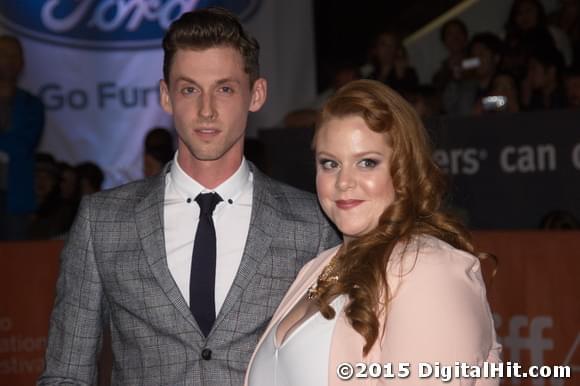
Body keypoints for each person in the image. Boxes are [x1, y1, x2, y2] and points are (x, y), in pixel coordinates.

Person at [39, 7, 339, 385]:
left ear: (256, 94)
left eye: (225, 89)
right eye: (189, 89)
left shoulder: (310, 225)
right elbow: (67, 373)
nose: (206, 110)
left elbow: (330, 365)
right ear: (166, 96)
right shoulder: (103, 221)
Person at [245, 79, 501, 386]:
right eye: (330, 164)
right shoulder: (317, 267)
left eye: (367, 162)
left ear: (403, 168)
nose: (343, 182)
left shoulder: (427, 269)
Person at [0, 35, 44, 240]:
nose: (9, 60)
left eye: (14, 55)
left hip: (16, 200)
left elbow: (24, 145)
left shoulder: (31, 105)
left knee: (16, 264)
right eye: (4, 54)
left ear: (22, 62)